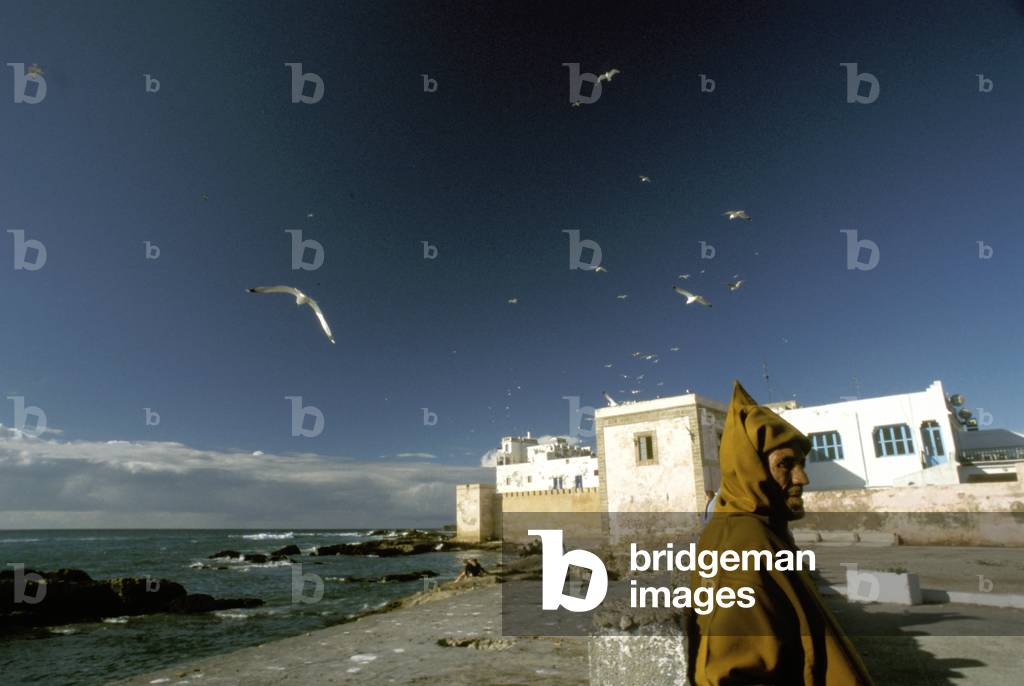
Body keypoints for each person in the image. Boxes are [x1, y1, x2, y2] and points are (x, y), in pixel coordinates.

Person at [688, 381, 874, 686]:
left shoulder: (753, 528)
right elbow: (730, 673)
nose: (802, 478)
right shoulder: (747, 544)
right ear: (752, 469)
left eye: (800, 464)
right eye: (785, 465)